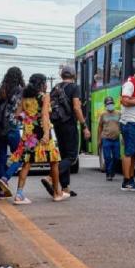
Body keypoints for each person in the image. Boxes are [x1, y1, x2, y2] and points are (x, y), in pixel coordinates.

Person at [9, 73, 67, 204]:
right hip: (42, 132)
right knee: (54, 162)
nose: (46, 85)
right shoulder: (44, 96)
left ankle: (19, 195)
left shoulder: (24, 97)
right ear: (41, 84)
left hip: (29, 134)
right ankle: (57, 193)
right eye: (45, 82)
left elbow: (17, 115)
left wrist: (29, 119)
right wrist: (46, 134)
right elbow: (45, 115)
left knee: (26, 163)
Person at [44, 65, 90, 197]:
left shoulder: (55, 88)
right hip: (69, 124)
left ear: (62, 75)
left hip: (57, 124)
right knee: (71, 156)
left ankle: (65, 188)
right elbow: (76, 107)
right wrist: (84, 125)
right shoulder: (74, 87)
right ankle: (50, 177)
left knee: (64, 156)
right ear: (74, 75)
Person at [0, 67, 24, 199]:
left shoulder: (2, 89)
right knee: (20, 156)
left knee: (1, 157)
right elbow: (21, 109)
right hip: (12, 127)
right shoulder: (20, 90)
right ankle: (5, 178)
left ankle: (1, 192)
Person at [97, 96, 121, 181]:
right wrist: (99, 139)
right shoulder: (103, 114)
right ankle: (108, 173)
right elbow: (99, 127)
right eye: (108, 104)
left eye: (111, 103)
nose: (110, 105)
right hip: (106, 139)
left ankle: (112, 171)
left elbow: (121, 125)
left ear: (113, 104)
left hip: (116, 139)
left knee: (117, 157)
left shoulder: (118, 113)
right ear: (105, 105)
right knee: (107, 158)